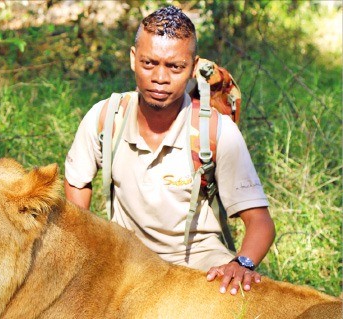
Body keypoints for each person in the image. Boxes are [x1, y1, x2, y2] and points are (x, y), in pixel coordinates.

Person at [64, 6, 275, 296]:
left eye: (175, 67)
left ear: (193, 67)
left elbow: (260, 222)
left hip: (200, 263)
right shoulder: (107, 117)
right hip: (126, 258)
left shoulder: (216, 131)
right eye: (149, 63)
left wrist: (242, 262)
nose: (160, 78)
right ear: (132, 59)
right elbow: (77, 180)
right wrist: (83, 239)